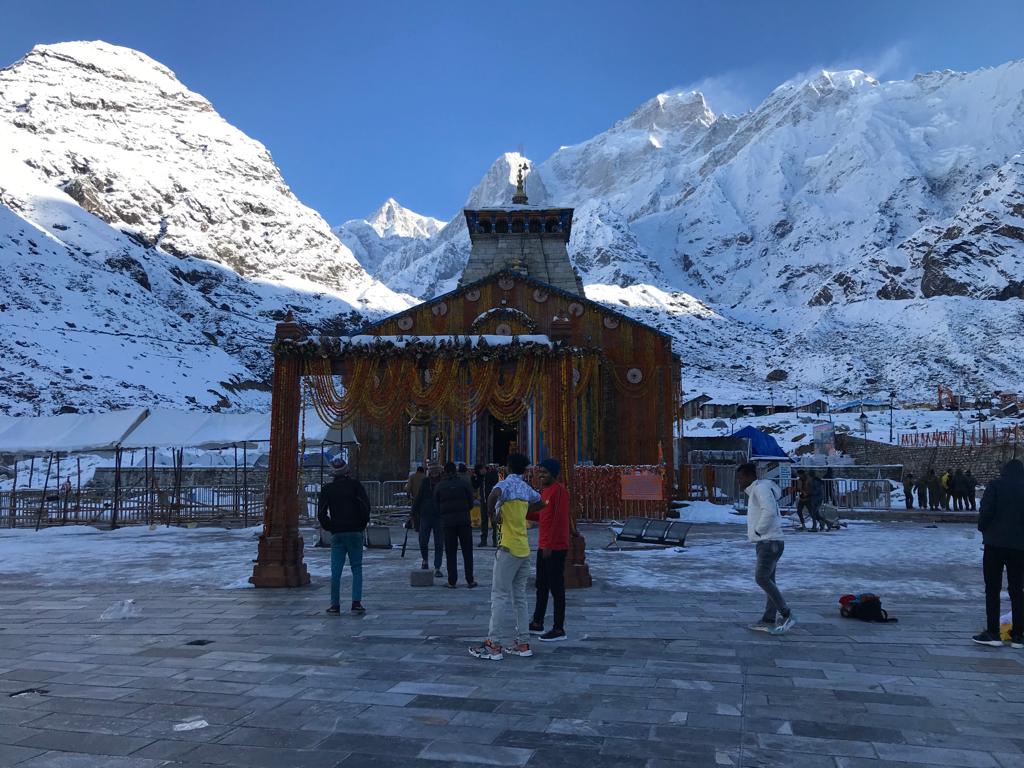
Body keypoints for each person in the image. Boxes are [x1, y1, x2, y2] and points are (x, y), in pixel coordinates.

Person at [469, 453, 544, 661]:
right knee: (519, 597)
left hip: (507, 548)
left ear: (509, 467)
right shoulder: (525, 489)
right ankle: (523, 642)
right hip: (524, 549)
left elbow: (492, 495)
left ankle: (493, 643)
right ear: (525, 470)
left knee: (499, 595)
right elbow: (541, 502)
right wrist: (524, 511)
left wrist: (493, 515)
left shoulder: (507, 485)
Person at [737, 462, 795, 634]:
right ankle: (769, 618)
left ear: (748, 476)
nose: (739, 482)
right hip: (770, 541)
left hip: (769, 541)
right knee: (770, 579)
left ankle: (786, 613)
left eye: (740, 478)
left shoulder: (760, 489)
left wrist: (758, 530)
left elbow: (769, 511)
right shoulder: (761, 488)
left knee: (761, 578)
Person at [972, 459, 1024, 648]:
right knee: (1017, 590)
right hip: (1019, 547)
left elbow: (986, 512)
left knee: (992, 589)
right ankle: (1019, 635)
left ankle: (993, 633)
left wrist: (984, 529)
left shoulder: (995, 485)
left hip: (994, 545)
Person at [317, 458, 370, 615]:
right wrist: (361, 525)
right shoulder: (356, 486)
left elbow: (321, 513)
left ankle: (335, 605)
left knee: (336, 570)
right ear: (347, 471)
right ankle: (356, 603)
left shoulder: (328, 489)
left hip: (338, 533)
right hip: (355, 532)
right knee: (357, 568)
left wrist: (331, 526)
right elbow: (366, 507)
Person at [527, 458, 571, 641]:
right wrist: (524, 512)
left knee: (556, 588)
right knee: (541, 586)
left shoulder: (559, 491)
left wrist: (550, 545)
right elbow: (543, 516)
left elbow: (558, 520)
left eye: (545, 472)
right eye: (540, 472)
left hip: (554, 547)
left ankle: (559, 628)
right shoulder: (545, 492)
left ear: (554, 473)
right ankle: (537, 622)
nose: (541, 475)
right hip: (543, 545)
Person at [435, 461, 476, 588]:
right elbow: (471, 502)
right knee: (467, 551)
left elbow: (436, 505)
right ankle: (470, 579)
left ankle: (452, 581)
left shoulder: (439, 486)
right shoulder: (464, 484)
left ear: (445, 471)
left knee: (450, 552)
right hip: (464, 521)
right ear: (455, 471)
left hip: (448, 523)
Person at [411, 463, 444, 576]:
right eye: (432, 472)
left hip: (439, 516)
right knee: (423, 540)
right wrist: (413, 511)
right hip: (425, 515)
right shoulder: (425, 482)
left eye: (436, 472)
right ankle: (425, 560)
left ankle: (437, 566)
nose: (434, 475)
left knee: (439, 543)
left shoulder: (442, 483)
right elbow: (419, 496)